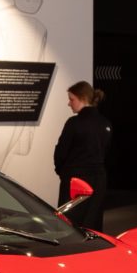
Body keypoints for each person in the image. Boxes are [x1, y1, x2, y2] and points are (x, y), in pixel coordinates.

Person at [53, 81, 111, 231]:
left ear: (83, 98)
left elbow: (60, 153)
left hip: (75, 181)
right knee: (93, 223)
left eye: (71, 99)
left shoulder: (74, 123)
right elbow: (105, 152)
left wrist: (63, 173)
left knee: (70, 225)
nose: (69, 103)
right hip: (98, 181)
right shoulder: (105, 123)